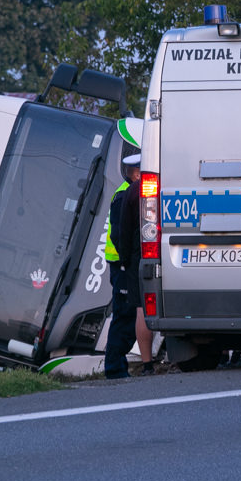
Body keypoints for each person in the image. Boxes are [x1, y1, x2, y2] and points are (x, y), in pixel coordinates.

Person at [103, 154, 141, 379]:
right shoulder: (124, 195)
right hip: (121, 264)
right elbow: (119, 235)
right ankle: (114, 368)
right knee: (124, 315)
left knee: (126, 314)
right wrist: (127, 262)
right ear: (135, 173)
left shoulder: (126, 191)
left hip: (122, 262)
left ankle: (117, 365)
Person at [118, 165, 155, 375]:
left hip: (139, 253)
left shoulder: (133, 190)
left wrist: (124, 260)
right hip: (165, 248)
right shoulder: (169, 181)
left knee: (142, 307)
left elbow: (124, 228)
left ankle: (148, 364)